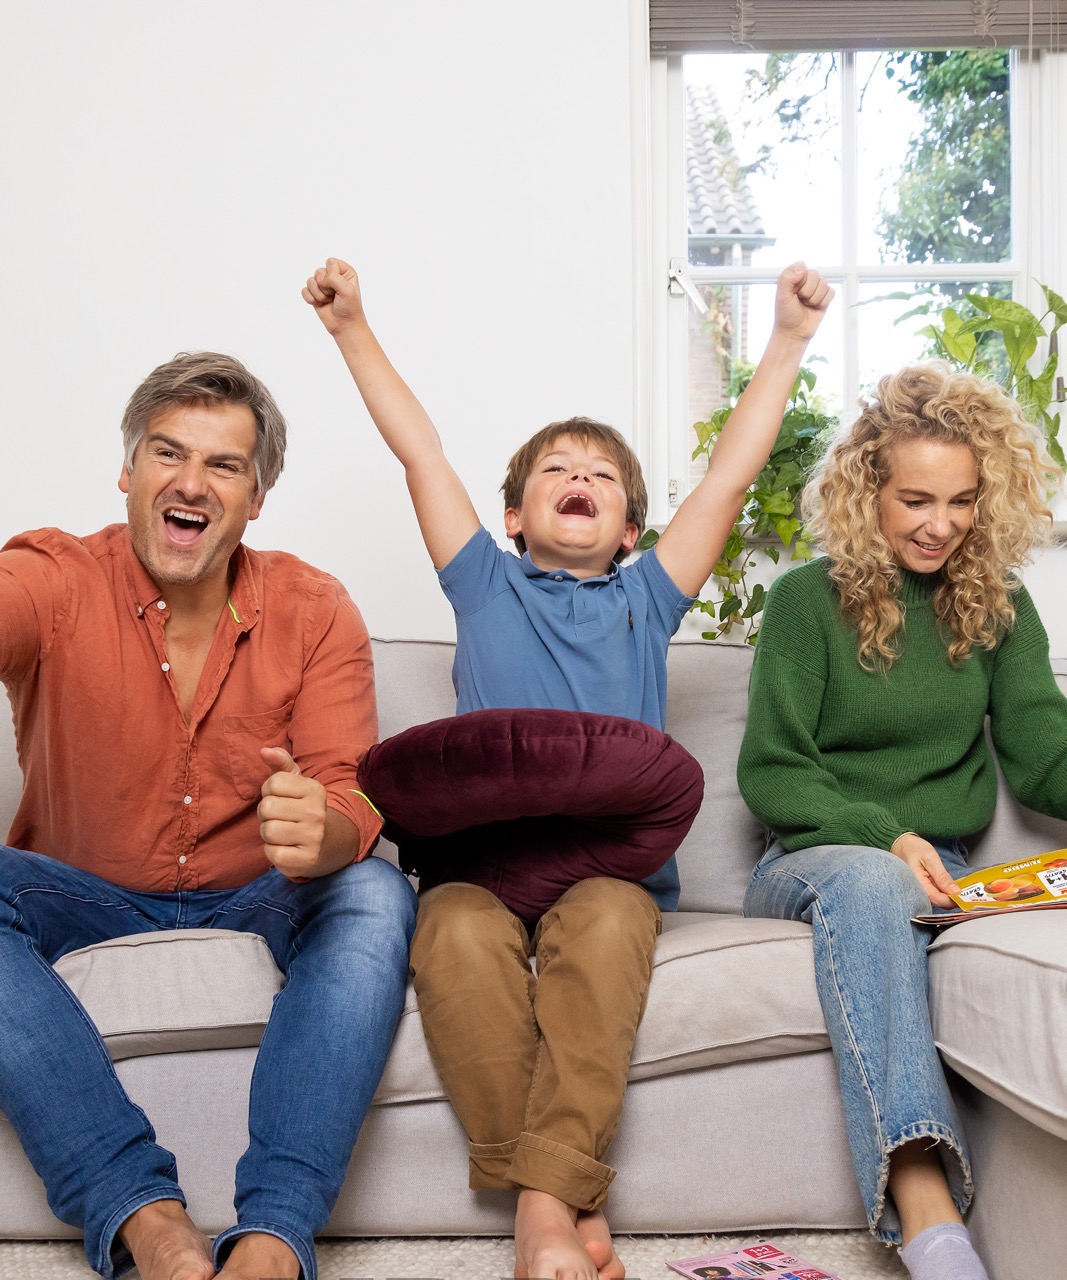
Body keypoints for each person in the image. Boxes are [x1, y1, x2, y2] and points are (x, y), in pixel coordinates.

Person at [304, 255, 832, 1280]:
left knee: (603, 927)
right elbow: (420, 454)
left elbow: (727, 477)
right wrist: (352, 328)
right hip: (480, 869)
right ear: (512, 517)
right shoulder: (482, 584)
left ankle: (539, 1206)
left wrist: (786, 342)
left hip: (606, 871)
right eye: (554, 470)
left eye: (599, 473)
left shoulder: (647, 599)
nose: (578, 477)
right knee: (449, 934)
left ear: (630, 529)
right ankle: (557, 1197)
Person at [0, 352, 418, 1280]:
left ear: (256, 497)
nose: (191, 483)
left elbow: (348, 791)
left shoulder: (315, 608)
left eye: (223, 465)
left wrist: (326, 829)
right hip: (83, 895)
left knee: (374, 891)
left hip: (256, 896)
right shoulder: (55, 578)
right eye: (167, 453)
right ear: (127, 471)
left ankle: (273, 1237)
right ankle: (146, 1220)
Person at [737, 362, 1067, 1280]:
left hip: (941, 875)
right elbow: (772, 769)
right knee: (878, 879)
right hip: (813, 856)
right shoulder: (804, 602)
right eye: (915, 499)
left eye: (961, 501)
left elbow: (1042, 753)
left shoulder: (999, 607)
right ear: (865, 491)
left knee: (900, 885)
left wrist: (920, 853)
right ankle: (926, 1212)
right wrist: (885, 833)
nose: (939, 524)